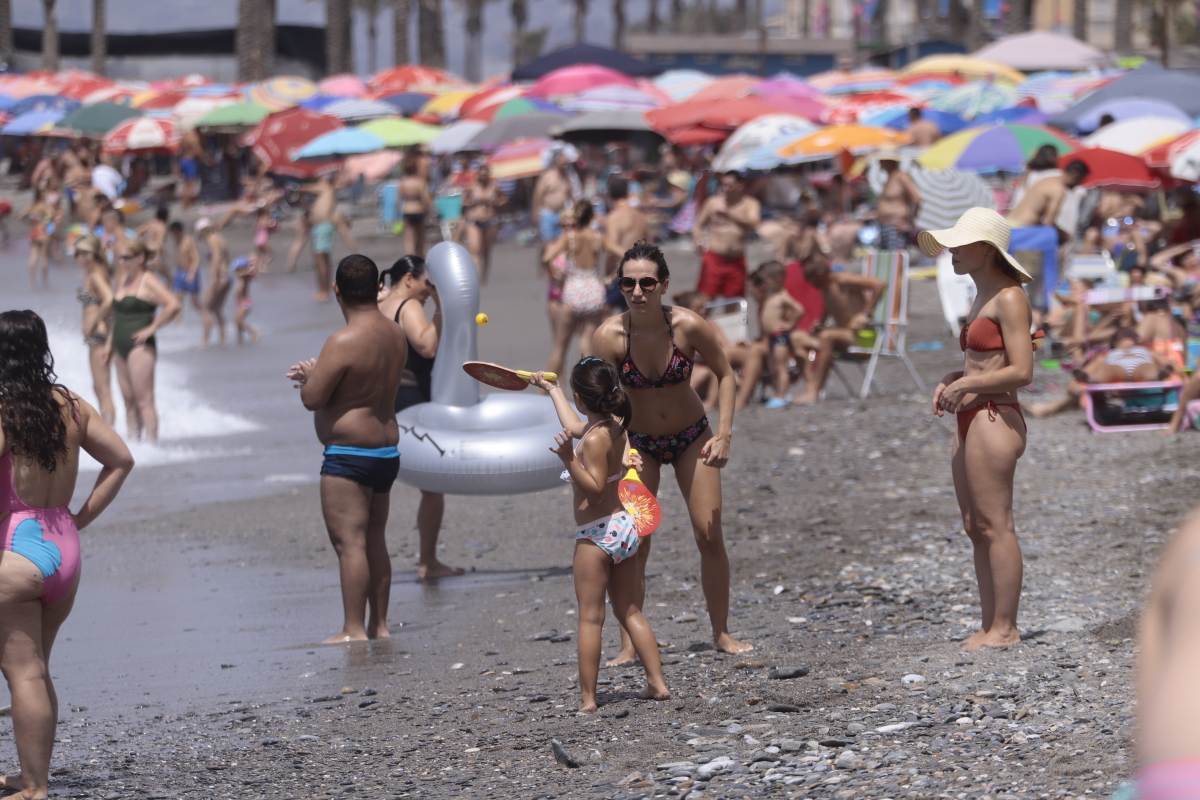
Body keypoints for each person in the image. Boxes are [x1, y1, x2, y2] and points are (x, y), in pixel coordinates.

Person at [589, 242, 752, 660]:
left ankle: (721, 633)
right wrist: (618, 447)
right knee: (634, 540)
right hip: (638, 443)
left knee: (708, 533)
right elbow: (597, 400)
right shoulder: (609, 337)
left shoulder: (687, 326)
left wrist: (725, 434)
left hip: (692, 437)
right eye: (628, 283)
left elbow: (726, 374)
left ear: (663, 284)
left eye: (647, 283)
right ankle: (630, 642)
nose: (637, 291)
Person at [0, 310, 134, 800]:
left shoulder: (3, 411)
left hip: (16, 548)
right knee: (34, 669)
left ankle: (34, 787)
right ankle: (32, 775)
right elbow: (121, 460)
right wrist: (80, 517)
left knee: (23, 671)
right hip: (64, 547)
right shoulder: (73, 405)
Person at [921, 208, 1036, 650]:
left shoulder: (1009, 297)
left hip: (994, 414)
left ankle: (1005, 628)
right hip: (972, 414)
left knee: (996, 523)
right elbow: (985, 362)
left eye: (959, 243)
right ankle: (990, 623)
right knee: (975, 525)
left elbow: (1022, 370)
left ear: (986, 249)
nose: (950, 251)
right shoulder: (982, 293)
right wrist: (954, 378)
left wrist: (967, 384)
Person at [534, 358, 670, 713]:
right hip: (624, 527)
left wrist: (568, 459)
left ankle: (588, 699)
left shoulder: (593, 440)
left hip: (596, 535)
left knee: (590, 618)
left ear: (582, 399)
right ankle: (657, 683)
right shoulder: (613, 427)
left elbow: (594, 490)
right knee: (630, 611)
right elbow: (575, 426)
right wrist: (552, 390)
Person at [287, 255, 407, 644]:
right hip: (386, 450)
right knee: (375, 538)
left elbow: (313, 398)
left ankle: (353, 628)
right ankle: (379, 625)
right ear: (377, 288)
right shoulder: (395, 334)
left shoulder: (342, 341)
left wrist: (309, 377)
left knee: (350, 543)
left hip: (350, 455)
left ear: (337, 290)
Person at [377, 256, 459, 581]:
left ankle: (374, 560)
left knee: (379, 485)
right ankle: (428, 561)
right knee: (432, 486)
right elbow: (426, 346)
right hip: (411, 399)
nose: (429, 291)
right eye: (428, 284)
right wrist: (439, 308)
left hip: (385, 398)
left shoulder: (379, 304)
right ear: (409, 279)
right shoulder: (408, 305)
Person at [110, 239, 181, 443]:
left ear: (140, 258)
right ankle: (134, 445)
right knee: (128, 401)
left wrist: (151, 328)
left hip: (140, 347)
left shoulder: (148, 279)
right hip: (119, 345)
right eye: (120, 258)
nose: (122, 262)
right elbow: (116, 315)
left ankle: (152, 447)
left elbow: (173, 304)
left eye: (127, 258)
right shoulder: (123, 279)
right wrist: (108, 345)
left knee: (144, 401)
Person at [793, 256, 884, 405]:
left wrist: (865, 313)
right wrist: (819, 324)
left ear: (821, 274)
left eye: (811, 278)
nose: (811, 283)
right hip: (844, 337)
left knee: (827, 336)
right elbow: (831, 310)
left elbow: (879, 284)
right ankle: (810, 386)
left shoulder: (842, 280)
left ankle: (814, 391)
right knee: (798, 338)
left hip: (863, 337)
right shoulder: (825, 289)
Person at [544, 201, 608, 375]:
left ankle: (585, 383)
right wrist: (555, 274)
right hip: (559, 298)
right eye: (565, 225)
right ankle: (559, 385)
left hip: (572, 295)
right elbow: (548, 268)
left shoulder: (570, 241)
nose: (569, 228)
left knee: (576, 344)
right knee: (561, 346)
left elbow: (547, 260)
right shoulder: (558, 244)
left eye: (573, 225)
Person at [756, 261, 816, 408]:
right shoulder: (770, 296)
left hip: (780, 337)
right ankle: (778, 392)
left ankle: (781, 396)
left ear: (776, 279)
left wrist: (789, 324)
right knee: (774, 367)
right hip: (772, 337)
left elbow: (799, 309)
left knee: (781, 367)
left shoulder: (783, 296)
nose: (764, 284)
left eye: (766, 280)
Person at [693, 172, 761, 299]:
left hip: (736, 259)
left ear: (740, 186)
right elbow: (698, 225)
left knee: (733, 300)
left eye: (730, 185)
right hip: (714, 257)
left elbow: (754, 224)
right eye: (723, 185)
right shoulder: (713, 203)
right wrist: (698, 241)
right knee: (705, 299)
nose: (726, 189)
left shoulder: (750, 204)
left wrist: (729, 214)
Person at [73, 235, 116, 425]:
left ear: (95, 254)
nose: (81, 258)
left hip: (98, 335)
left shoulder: (95, 275)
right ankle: (109, 429)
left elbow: (110, 299)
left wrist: (94, 322)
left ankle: (110, 432)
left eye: (86, 253)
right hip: (97, 336)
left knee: (103, 389)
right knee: (99, 388)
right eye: (78, 253)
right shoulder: (96, 272)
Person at [603, 175, 650, 311]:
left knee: (604, 313)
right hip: (641, 272)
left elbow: (611, 249)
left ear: (609, 195)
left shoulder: (614, 217)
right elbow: (648, 245)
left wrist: (607, 274)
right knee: (632, 316)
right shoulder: (641, 217)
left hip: (621, 273)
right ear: (627, 192)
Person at [462, 164, 504, 283]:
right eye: (481, 175)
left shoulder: (495, 186)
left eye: (485, 175)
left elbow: (503, 200)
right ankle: (476, 275)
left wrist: (495, 202)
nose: (483, 177)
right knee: (475, 249)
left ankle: (483, 276)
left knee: (486, 250)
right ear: (478, 175)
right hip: (474, 220)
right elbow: (464, 201)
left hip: (489, 220)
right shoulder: (472, 187)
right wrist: (473, 202)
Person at [194, 219, 232, 348]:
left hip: (219, 278)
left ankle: (205, 341)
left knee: (205, 307)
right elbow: (227, 258)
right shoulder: (220, 238)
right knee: (216, 308)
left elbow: (217, 258)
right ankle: (223, 339)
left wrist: (214, 278)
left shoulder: (212, 239)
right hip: (226, 277)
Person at [876, 150, 922, 250]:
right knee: (886, 255)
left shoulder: (901, 176)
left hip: (897, 225)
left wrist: (910, 220)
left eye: (882, 160)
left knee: (895, 254)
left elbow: (917, 198)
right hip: (885, 224)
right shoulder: (889, 178)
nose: (879, 162)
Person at [532, 150, 574, 247]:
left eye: (566, 162)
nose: (565, 164)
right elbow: (538, 195)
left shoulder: (567, 177)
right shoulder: (548, 176)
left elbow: (570, 195)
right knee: (548, 244)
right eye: (563, 161)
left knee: (561, 244)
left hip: (561, 214)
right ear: (556, 161)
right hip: (548, 213)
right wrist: (535, 213)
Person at [21, 190, 57, 289]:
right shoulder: (46, 206)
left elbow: (21, 216)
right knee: (44, 257)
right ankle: (45, 282)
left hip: (34, 231)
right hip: (43, 232)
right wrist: (46, 225)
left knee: (33, 256)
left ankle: (32, 282)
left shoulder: (33, 206)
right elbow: (51, 218)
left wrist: (29, 222)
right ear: (42, 195)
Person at [398, 159, 432, 260]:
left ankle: (410, 260)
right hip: (419, 210)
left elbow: (399, 198)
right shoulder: (420, 182)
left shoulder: (403, 182)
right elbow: (425, 198)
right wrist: (429, 210)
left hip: (407, 210)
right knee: (420, 239)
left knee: (409, 239)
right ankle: (420, 259)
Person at [168, 220, 202, 317]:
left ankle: (206, 317)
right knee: (177, 300)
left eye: (173, 233)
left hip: (190, 272)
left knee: (194, 302)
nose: (172, 235)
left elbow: (196, 258)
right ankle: (178, 323)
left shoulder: (189, 241)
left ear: (178, 231)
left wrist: (192, 273)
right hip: (179, 272)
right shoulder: (177, 240)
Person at [231, 257, 259, 345]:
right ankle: (240, 339)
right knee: (237, 322)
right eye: (236, 271)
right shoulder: (241, 278)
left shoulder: (244, 278)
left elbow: (251, 272)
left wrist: (250, 264)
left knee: (238, 320)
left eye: (238, 270)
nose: (236, 273)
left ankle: (253, 332)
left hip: (245, 303)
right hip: (239, 303)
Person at [137, 206, 169, 277]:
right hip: (154, 252)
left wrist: (144, 240)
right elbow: (160, 243)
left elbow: (139, 231)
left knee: (144, 274)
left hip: (146, 250)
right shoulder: (162, 226)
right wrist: (160, 255)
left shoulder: (151, 223)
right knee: (154, 276)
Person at [253, 206, 276, 273]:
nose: (268, 217)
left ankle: (260, 267)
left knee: (260, 254)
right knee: (268, 252)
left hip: (258, 240)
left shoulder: (258, 220)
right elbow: (264, 225)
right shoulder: (262, 219)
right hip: (262, 239)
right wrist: (272, 224)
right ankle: (266, 261)